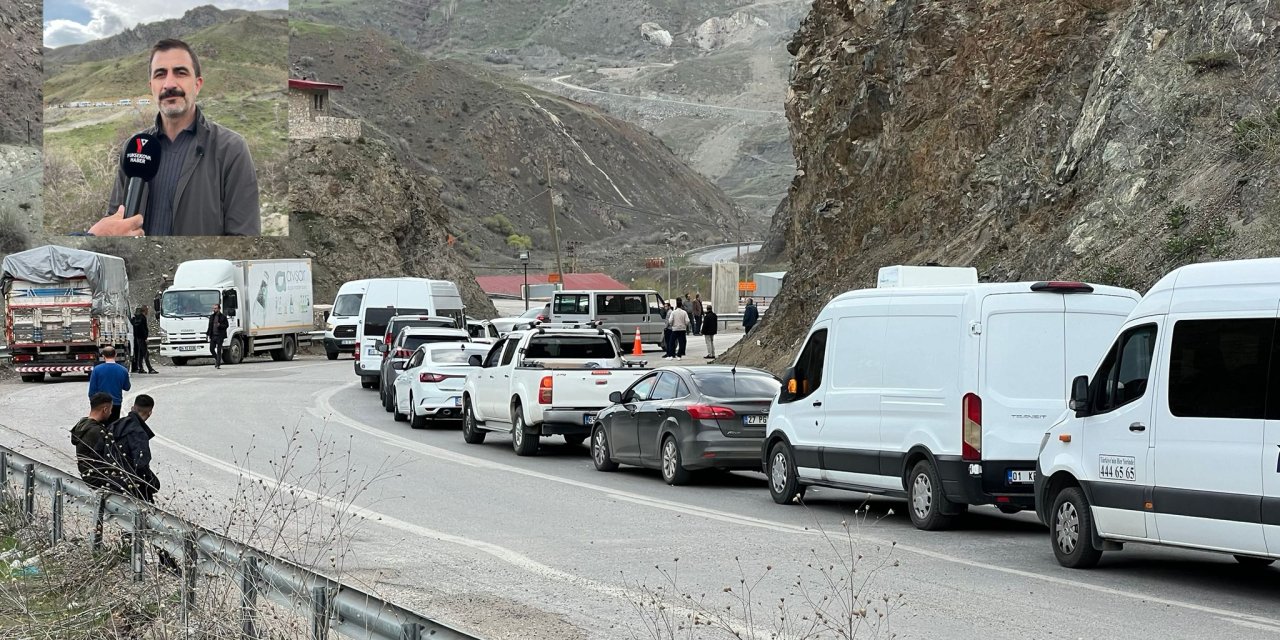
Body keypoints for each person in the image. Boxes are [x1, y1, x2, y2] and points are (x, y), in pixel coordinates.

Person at [89, 38, 260, 237]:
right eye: (160, 74)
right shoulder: (134, 147)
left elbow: (245, 235)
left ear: (197, 84)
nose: (169, 84)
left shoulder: (232, 149)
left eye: (180, 72)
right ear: (151, 85)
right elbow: (115, 218)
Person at [106, 395, 159, 501]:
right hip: (129, 487)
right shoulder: (139, 434)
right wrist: (153, 485)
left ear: (133, 408)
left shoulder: (115, 425)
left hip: (109, 480)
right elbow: (141, 465)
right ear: (150, 413)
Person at [71, 393, 115, 489]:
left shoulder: (82, 425)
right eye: (110, 410)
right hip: (98, 480)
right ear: (105, 410)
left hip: (88, 476)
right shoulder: (97, 432)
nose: (111, 413)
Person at [88, 346, 131, 422]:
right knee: (113, 427)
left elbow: (92, 390)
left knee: (100, 428)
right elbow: (127, 387)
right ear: (115, 355)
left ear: (103, 356)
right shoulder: (123, 370)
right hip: (116, 403)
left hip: (100, 404)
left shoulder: (97, 370)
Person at [130, 306, 159, 374]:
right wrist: (145, 338)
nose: (148, 312)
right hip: (142, 338)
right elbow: (143, 329)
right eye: (147, 310)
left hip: (137, 338)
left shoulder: (136, 319)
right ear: (145, 310)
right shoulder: (142, 318)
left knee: (140, 354)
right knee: (146, 353)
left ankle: (141, 368)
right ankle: (150, 368)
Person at [208, 303, 229, 368]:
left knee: (219, 350)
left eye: (216, 308)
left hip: (220, 336)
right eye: (213, 308)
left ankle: (218, 364)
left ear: (219, 309)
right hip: (213, 335)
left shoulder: (223, 317)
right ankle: (218, 359)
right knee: (211, 349)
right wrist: (208, 334)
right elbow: (210, 326)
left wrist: (220, 325)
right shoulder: (212, 316)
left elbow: (226, 325)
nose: (214, 309)